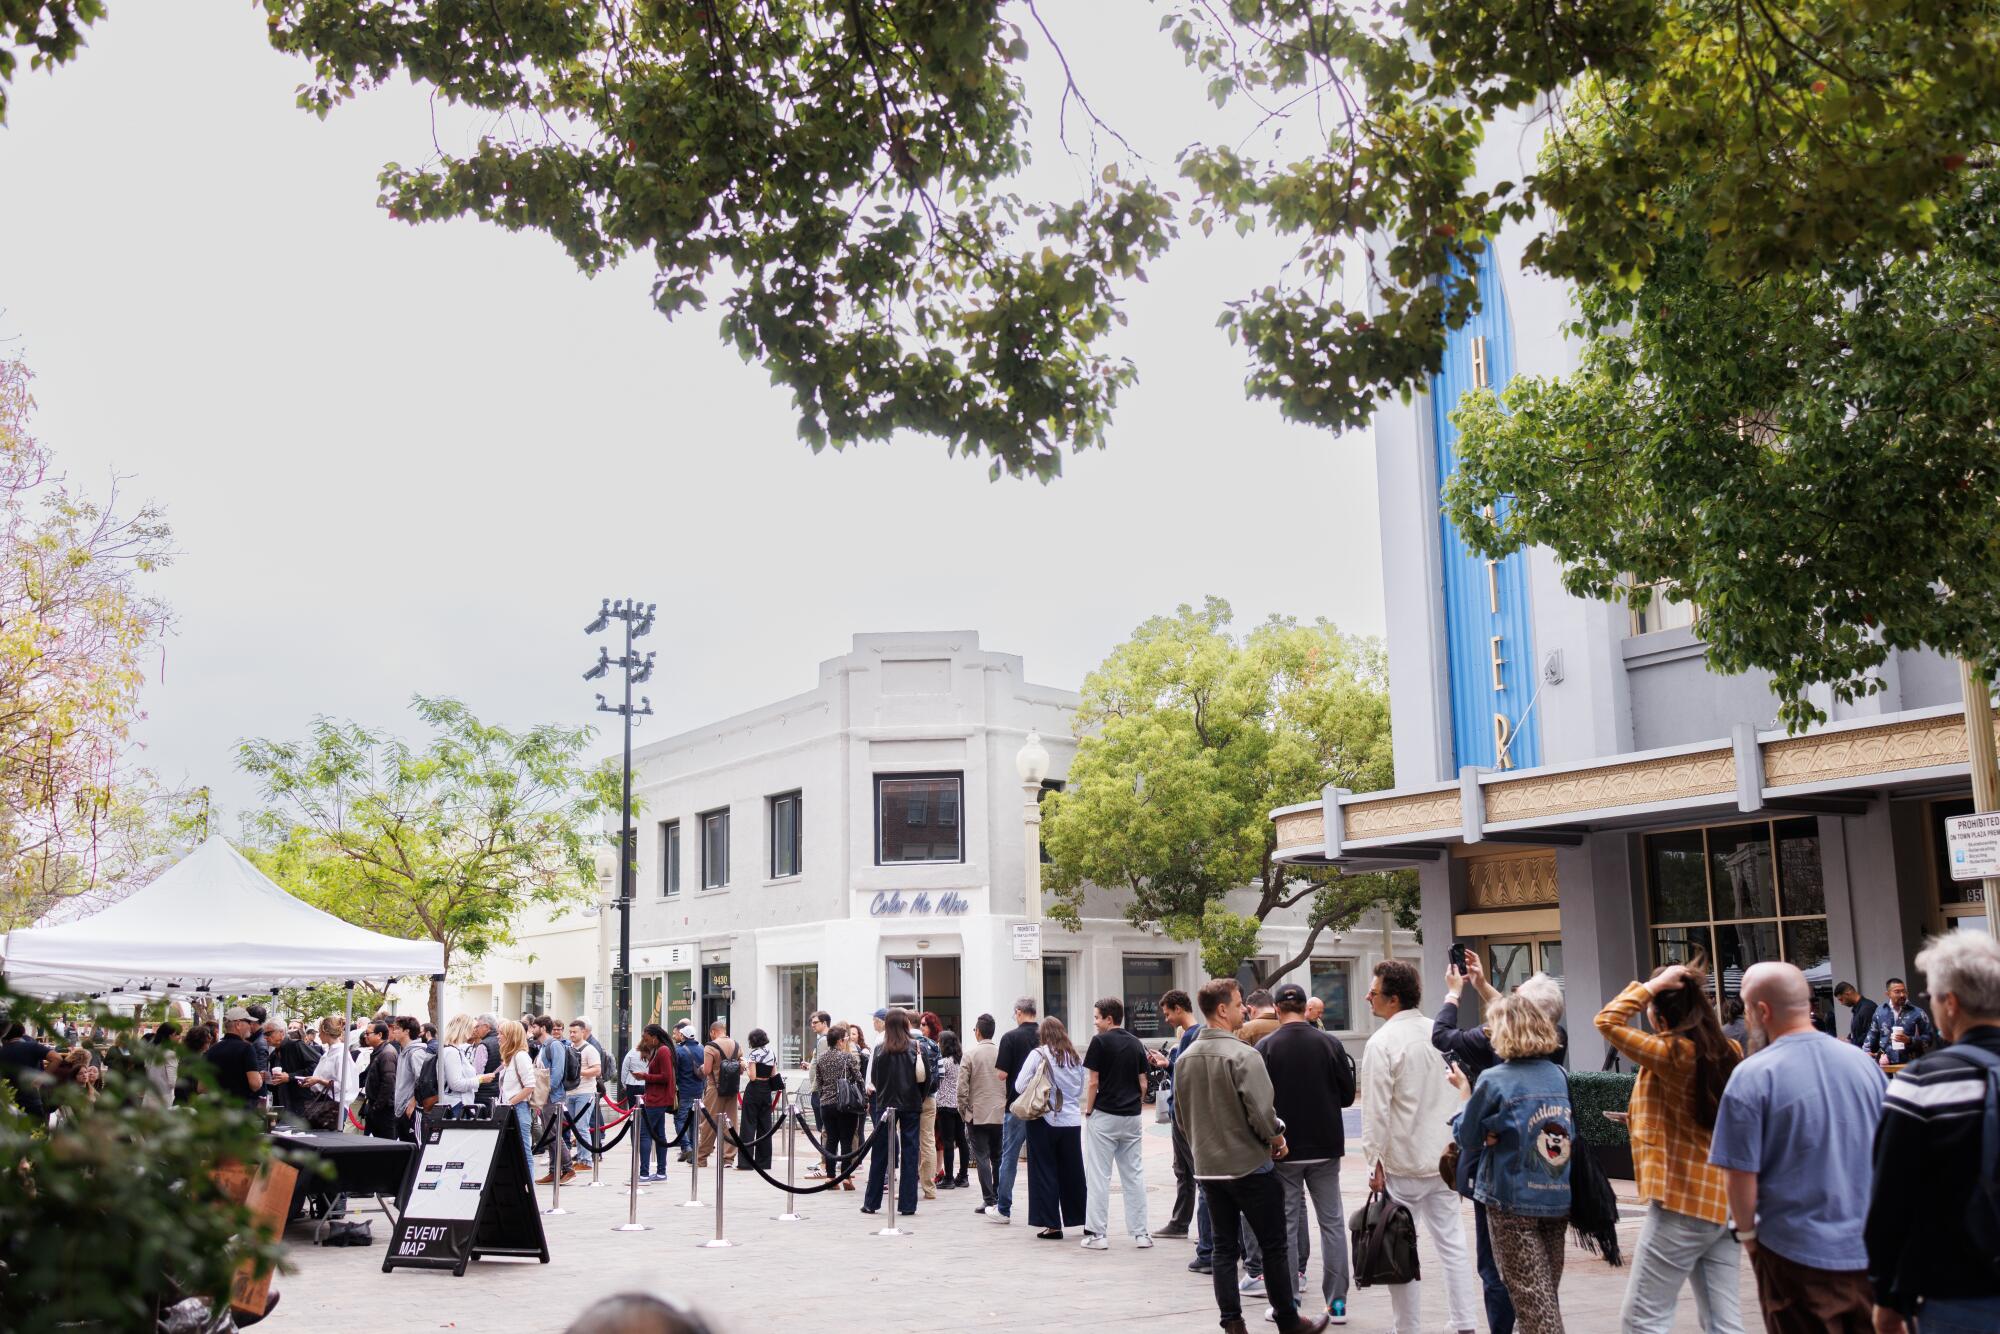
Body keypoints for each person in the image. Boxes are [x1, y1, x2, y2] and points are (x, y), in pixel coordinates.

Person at [1709, 961, 1884, 1334]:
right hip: (1869, 1251)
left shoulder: (1753, 1075)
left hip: (1794, 1254)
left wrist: (1750, 1239)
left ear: (1762, 1011)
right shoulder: (1863, 1065)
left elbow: (1739, 1175)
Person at [1595, 964, 1747, 1334]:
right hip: (1722, 1201)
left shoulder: (1671, 1050)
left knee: (1642, 1319)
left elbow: (1607, 1021)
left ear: (1659, 1011)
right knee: (1723, 1322)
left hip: (1683, 1200)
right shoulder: (1728, 1049)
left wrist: (1651, 985)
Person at [1176, 977, 1331, 1334]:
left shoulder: (1184, 1059)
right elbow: (1262, 1113)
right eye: (1238, 1002)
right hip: (1248, 1165)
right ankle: (1288, 1320)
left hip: (1210, 1168)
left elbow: (1182, 1119)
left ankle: (1232, 1322)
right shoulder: (1243, 1055)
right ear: (1222, 1010)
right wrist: (1277, 1140)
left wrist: (1201, 1151)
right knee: (1274, 1244)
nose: (1243, 1007)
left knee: (1224, 1250)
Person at [1865, 932, 2000, 1333]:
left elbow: (1891, 1200)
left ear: (1952, 1003)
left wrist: (1887, 1296)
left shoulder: (1923, 1084)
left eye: (1932, 997)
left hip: (1960, 1292)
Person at [1357, 959, 1478, 1334]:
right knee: (1453, 1245)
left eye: (1374, 992)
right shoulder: (1440, 1034)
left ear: (1393, 999)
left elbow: (1375, 1109)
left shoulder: (1381, 1043)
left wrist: (1372, 1161)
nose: (1368, 997)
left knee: (1400, 1248)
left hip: (1403, 1162)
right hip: (1444, 1159)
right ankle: (1464, 1322)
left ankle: (1407, 1328)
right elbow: (1462, 1090)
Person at [1452, 995, 1574, 1334]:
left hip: (1512, 1200)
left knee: (1533, 1302)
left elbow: (1468, 1135)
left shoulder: (1494, 1079)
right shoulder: (1557, 1075)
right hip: (1556, 1195)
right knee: (1544, 1294)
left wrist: (1465, 1096)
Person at [1258, 981, 1355, 1325]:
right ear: (1305, 1006)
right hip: (1326, 1145)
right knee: (1332, 1223)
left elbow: (1258, 1102)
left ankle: (1289, 1303)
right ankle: (1337, 1304)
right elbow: (1347, 1095)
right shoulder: (1329, 1042)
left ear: (1277, 1009)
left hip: (1284, 1147)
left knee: (1285, 1225)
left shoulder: (1266, 1046)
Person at [1080, 996, 1151, 1249]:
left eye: (1098, 1018)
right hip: (1131, 1116)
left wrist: (1088, 1111)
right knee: (1134, 1174)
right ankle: (1141, 1233)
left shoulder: (1099, 1042)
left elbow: (1092, 1082)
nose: (1096, 1023)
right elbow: (1143, 1083)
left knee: (1099, 1175)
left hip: (1105, 1115)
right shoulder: (1136, 1044)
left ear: (1109, 1019)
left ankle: (1098, 1235)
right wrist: (1136, 1102)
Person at [1148, 989, 1211, 1263]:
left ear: (1177, 1008)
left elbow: (1188, 1077)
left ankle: (1204, 1230)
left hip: (1184, 1116)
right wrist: (1167, 1064)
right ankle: (1181, 1222)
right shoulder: (1190, 1036)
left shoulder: (1192, 1035)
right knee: (1184, 1170)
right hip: (1181, 1114)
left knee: (1195, 1173)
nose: (1166, 1019)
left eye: (1167, 1013)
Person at [1016, 1015, 1088, 1240]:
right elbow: (1078, 1091)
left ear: (1043, 1035)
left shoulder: (1038, 1055)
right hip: (1072, 1122)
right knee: (1073, 1172)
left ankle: (1052, 1224)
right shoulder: (1074, 1057)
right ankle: (1083, 1218)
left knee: (1044, 1171)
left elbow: (1019, 1085)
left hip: (1044, 1119)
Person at [862, 1009, 928, 1217]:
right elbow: (926, 1080)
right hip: (911, 1104)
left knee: (880, 1153)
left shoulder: (880, 1050)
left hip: (885, 1105)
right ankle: (908, 1204)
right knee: (910, 1153)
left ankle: (872, 1202)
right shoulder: (916, 1047)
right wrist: (918, 1097)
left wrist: (882, 1097)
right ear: (906, 1025)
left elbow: (875, 1078)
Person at [989, 996, 1040, 1225]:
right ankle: (1042, 1206)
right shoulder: (1046, 1035)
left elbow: (1001, 1073)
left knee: (1009, 1156)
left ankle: (1004, 1208)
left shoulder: (1010, 1037)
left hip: (1017, 1103)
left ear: (1019, 1012)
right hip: (1042, 1104)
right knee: (1041, 1157)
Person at [961, 1013, 1005, 1212]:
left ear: (978, 1032)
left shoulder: (970, 1054)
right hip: (1000, 1112)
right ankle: (998, 1194)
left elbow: (962, 1088)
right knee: (998, 1156)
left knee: (981, 1156)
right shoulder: (1002, 1053)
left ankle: (988, 1198)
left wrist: (963, 1112)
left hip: (976, 1113)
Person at [812, 1023, 862, 1191]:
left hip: (826, 1104)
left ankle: (831, 1177)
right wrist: (864, 1099)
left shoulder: (821, 1058)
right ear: (840, 1041)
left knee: (831, 1140)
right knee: (847, 1140)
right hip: (845, 1104)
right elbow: (859, 1079)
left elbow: (819, 1083)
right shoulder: (847, 1057)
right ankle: (846, 1177)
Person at [632, 1023, 679, 1183]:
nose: (645, 1042)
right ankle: (660, 1172)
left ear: (654, 1037)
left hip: (657, 1099)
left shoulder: (663, 1051)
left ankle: (644, 1173)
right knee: (659, 1135)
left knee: (645, 1134)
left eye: (647, 1038)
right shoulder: (659, 1050)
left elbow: (665, 1076)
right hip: (657, 1097)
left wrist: (644, 1076)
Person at [698, 1020, 741, 1168]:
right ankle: (728, 1159)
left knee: (709, 1123)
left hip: (714, 1089)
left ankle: (702, 1157)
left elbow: (707, 1070)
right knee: (731, 1123)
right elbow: (740, 1066)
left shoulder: (710, 1046)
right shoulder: (736, 1044)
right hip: (732, 1089)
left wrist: (702, 1067)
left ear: (713, 1032)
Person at [1863, 977, 1935, 1065]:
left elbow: (1929, 1039)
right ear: (1888, 994)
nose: (1902, 995)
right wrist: (1865, 1053)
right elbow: (1872, 1034)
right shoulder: (1880, 1011)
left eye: (1904, 991)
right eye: (1897, 992)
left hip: (1911, 1064)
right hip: (1886, 1063)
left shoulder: (1917, 1013)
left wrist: (1910, 1040)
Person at [496, 1018, 537, 1165]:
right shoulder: (511, 1057)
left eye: (501, 1033)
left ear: (511, 1036)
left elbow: (530, 1086)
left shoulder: (521, 1056)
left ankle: (529, 1187)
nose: (498, 1036)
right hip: (510, 1108)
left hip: (518, 1109)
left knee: (524, 1154)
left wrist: (509, 1103)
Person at [206, 1007, 267, 1106]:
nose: (250, 1026)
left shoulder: (212, 1049)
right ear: (238, 1024)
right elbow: (255, 1085)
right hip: (239, 1111)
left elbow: (202, 1087)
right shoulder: (246, 1049)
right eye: (248, 1022)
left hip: (216, 1112)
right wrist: (260, 1078)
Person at [738, 1028, 778, 1172]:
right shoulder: (771, 1053)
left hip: (754, 1089)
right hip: (766, 1089)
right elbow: (774, 1073)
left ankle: (746, 1163)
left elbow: (752, 1076)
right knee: (765, 1126)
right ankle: (764, 1162)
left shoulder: (754, 1054)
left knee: (748, 1125)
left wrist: (745, 1065)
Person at [566, 1020, 603, 1172]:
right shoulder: (569, 1048)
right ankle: (581, 1157)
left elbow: (597, 1070)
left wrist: (579, 1071)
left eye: (575, 1032)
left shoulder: (590, 1049)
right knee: (575, 1128)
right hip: (571, 1092)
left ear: (583, 1032)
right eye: (570, 1032)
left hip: (585, 1092)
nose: (572, 1034)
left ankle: (586, 1160)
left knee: (582, 1127)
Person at [935, 1028, 969, 1189]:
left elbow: (937, 1081)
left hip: (945, 1105)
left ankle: (948, 1177)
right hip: (959, 1104)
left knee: (948, 1141)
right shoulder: (961, 1060)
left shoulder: (944, 1062)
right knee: (961, 1140)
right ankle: (963, 1175)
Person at [1, 1019, 53, 1122]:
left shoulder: (2, 1050)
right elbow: (57, 1058)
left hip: (9, 1100)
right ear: (22, 1031)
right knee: (37, 1132)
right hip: (31, 1098)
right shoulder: (31, 1045)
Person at [360, 1020, 401, 1139]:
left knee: (385, 1146)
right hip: (376, 1107)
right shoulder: (379, 1052)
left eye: (368, 1033)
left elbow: (388, 1083)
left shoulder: (387, 1053)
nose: (365, 1036)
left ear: (379, 1035)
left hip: (383, 1110)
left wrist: (376, 1107)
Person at [436, 1014, 483, 1116]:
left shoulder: (453, 1049)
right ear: (464, 1028)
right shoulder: (452, 1052)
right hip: (456, 1105)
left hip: (456, 1104)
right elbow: (456, 1084)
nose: (475, 1031)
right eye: (473, 1027)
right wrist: (480, 1079)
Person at [672, 1022, 705, 1161]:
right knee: (693, 1121)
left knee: (680, 1119)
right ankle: (693, 1151)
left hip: (684, 1090)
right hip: (699, 1089)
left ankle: (687, 1147)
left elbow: (675, 1071)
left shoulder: (678, 1051)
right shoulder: (702, 1049)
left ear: (683, 1035)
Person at [393, 1016, 428, 1141]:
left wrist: (413, 1102)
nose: (394, 1031)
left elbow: (423, 1081)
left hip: (411, 1111)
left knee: (416, 1148)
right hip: (402, 1110)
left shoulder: (416, 1052)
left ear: (407, 1031)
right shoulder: (403, 1052)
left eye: (397, 1028)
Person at [1832, 983, 1877, 1048]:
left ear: (1848, 993)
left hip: (1869, 1054)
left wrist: (1850, 1042)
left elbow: (1870, 1035)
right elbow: (1858, 1032)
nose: (1841, 1003)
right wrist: (1848, 1039)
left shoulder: (1867, 1008)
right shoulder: (1859, 1008)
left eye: (1841, 999)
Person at [473, 1014, 501, 1108]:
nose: (476, 1029)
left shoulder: (483, 1045)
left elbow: (477, 1073)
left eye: (477, 1026)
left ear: (486, 1027)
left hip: (483, 1095)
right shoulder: (503, 1041)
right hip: (500, 1093)